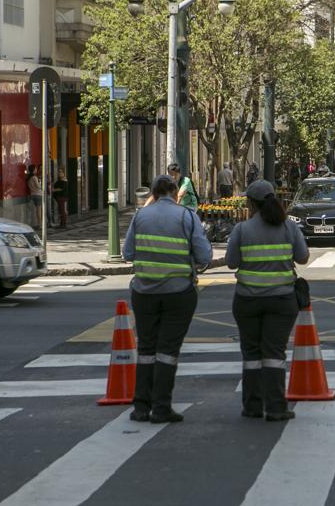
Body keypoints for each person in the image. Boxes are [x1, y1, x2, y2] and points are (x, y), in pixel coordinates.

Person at [122, 174, 212, 424]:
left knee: (146, 349)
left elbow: (127, 253)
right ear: (174, 192)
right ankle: (161, 407)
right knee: (168, 351)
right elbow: (204, 256)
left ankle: (141, 407)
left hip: (144, 292)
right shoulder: (186, 216)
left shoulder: (140, 216)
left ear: (153, 193)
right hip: (178, 293)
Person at [216, 180, 309, 422]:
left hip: (247, 300)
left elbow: (231, 263)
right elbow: (303, 257)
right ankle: (276, 407)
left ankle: (252, 405)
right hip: (281, 300)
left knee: (251, 354)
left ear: (251, 203)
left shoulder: (242, 229)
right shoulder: (289, 227)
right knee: (274, 353)